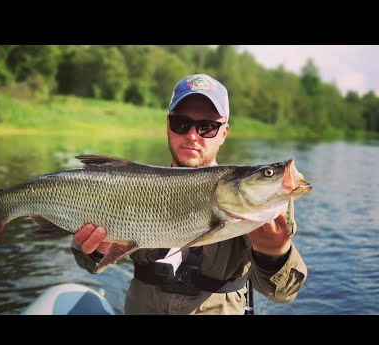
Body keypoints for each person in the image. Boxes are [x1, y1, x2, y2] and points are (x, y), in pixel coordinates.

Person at [71, 74, 308, 315]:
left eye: (207, 127)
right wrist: (95, 252)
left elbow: (283, 292)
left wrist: (275, 253)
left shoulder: (261, 203)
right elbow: (89, 263)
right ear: (168, 126)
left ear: (224, 133)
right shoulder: (133, 186)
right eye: (181, 124)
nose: (192, 135)